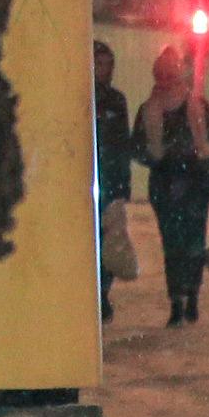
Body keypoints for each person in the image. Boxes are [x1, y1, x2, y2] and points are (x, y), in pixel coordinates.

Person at [130, 45, 209, 327]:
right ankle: (180, 299)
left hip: (190, 185)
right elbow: (138, 148)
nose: (169, 81)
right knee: (178, 245)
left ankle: (189, 298)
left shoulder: (192, 106)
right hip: (171, 187)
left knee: (188, 244)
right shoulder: (152, 110)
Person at [92, 41, 133, 322]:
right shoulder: (82, 96)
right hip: (90, 180)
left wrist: (122, 187)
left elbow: (121, 144)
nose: (103, 70)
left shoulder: (115, 101)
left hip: (108, 181)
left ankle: (102, 292)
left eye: (107, 64)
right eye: (98, 64)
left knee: (108, 240)